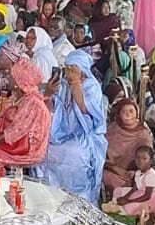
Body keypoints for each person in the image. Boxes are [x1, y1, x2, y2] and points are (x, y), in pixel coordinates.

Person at [40, 49, 107, 202]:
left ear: (82, 69)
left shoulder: (92, 86)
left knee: (74, 154)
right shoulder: (63, 85)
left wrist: (76, 83)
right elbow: (53, 108)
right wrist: (49, 93)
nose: (68, 71)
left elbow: (85, 109)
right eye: (67, 67)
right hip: (61, 133)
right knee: (45, 149)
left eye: (73, 67)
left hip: (85, 136)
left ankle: (79, 201)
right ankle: (50, 198)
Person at [103, 97, 154, 195]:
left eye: (131, 111)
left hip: (133, 175)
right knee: (103, 176)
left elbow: (147, 160)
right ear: (119, 114)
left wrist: (135, 172)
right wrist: (114, 168)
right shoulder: (112, 128)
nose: (128, 115)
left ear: (136, 113)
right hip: (112, 171)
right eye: (124, 112)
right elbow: (102, 153)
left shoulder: (143, 134)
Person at [104, 144, 155, 218]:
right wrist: (125, 197)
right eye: (137, 158)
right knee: (119, 191)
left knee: (131, 206)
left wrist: (129, 201)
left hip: (152, 198)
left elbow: (147, 196)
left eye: (144, 159)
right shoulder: (138, 172)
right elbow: (134, 189)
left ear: (151, 161)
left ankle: (118, 208)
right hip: (140, 193)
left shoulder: (150, 175)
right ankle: (116, 204)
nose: (140, 161)